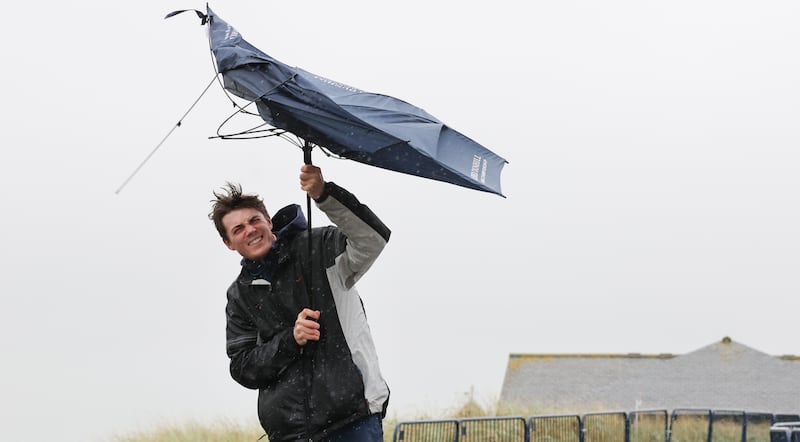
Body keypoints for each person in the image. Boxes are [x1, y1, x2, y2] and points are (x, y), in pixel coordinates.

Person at [209, 164, 390, 442]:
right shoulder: (239, 296)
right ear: (228, 243)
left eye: (255, 220)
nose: (250, 230)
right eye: (238, 229)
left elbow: (373, 239)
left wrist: (324, 193)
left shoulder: (322, 246)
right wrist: (290, 340)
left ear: (269, 220)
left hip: (352, 420)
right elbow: (243, 367)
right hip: (289, 434)